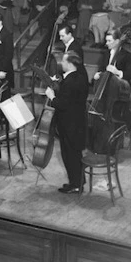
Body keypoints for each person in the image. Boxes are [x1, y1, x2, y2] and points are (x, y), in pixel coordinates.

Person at [45, 52, 89, 194]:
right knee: (75, 154)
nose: (61, 64)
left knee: (70, 155)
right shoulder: (79, 77)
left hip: (69, 124)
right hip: (77, 123)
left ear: (70, 64)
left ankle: (75, 184)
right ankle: (78, 181)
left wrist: (52, 97)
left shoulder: (70, 81)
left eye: (63, 61)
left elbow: (63, 104)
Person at [92, 29, 131, 134]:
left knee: (120, 111)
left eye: (109, 41)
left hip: (121, 91)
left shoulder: (128, 56)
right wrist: (98, 74)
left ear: (118, 41)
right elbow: (102, 69)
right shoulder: (106, 54)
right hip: (106, 89)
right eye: (106, 40)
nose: (106, 43)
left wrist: (118, 72)